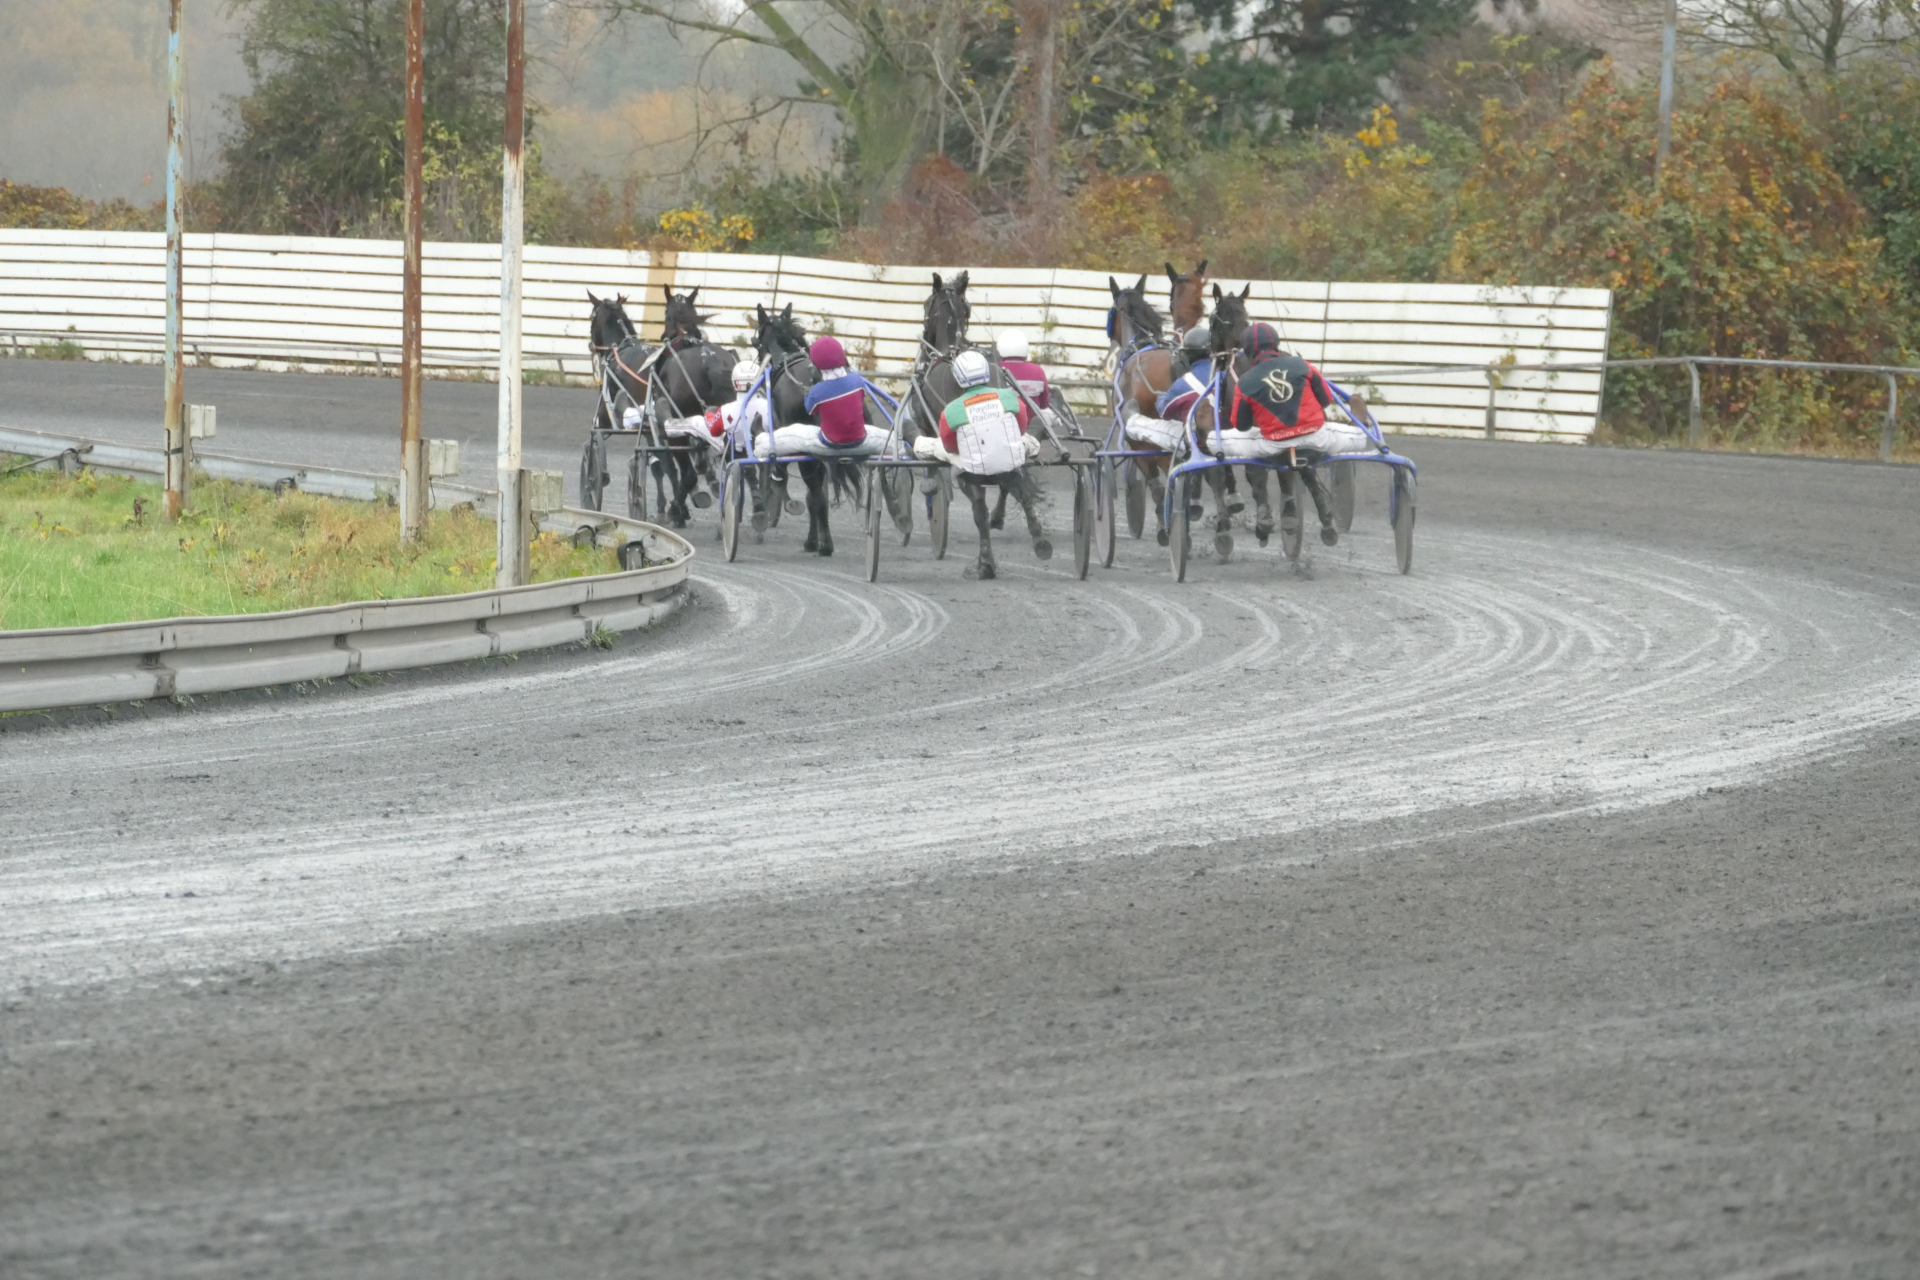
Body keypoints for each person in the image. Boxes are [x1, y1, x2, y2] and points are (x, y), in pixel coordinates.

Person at [912, 349, 1045, 577]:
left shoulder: (951, 411)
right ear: (987, 372)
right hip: (1010, 461)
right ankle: (1032, 517)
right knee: (1030, 437)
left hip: (973, 469)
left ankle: (985, 552)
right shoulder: (1009, 398)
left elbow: (950, 446)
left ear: (958, 378)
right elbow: (1021, 427)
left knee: (934, 447)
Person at [1223, 322, 1371, 457]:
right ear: (1276, 343)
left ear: (1248, 351)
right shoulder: (1302, 364)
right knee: (1357, 438)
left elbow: (1241, 425)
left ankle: (1208, 440)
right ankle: (1359, 428)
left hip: (1273, 446)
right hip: (1316, 438)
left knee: (1216, 441)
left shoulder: (1244, 383)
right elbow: (1326, 400)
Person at [765, 335, 893, 457]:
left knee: (793, 432)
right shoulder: (857, 381)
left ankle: (762, 450)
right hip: (861, 439)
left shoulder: (817, 392)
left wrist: (809, 390)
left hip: (828, 443)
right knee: (888, 437)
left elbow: (810, 410)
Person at [995, 330, 1054, 434]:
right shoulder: (1038, 371)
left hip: (1001, 428)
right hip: (1030, 430)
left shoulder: (994, 369)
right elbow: (1044, 404)